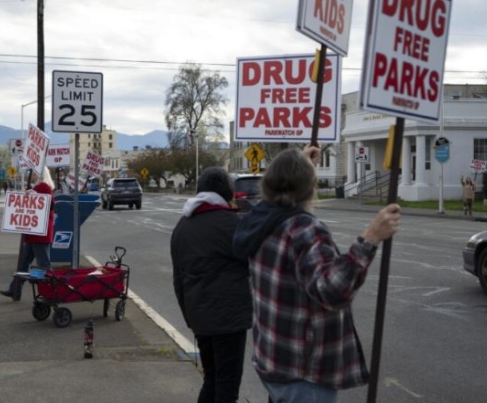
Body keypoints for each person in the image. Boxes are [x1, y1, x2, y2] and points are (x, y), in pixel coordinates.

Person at [232, 147, 401, 403]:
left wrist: (298, 164)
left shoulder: (259, 219)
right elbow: (333, 291)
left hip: (273, 360)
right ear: (310, 188)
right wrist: (371, 237)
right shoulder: (303, 228)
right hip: (303, 372)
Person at [170, 167, 250, 403]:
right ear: (228, 193)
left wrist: (190, 316)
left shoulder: (182, 226)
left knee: (212, 378)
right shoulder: (231, 224)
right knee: (227, 384)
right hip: (229, 319)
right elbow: (254, 258)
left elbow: (178, 279)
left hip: (199, 317)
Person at [0, 180, 56, 301]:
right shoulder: (38, 188)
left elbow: (50, 202)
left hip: (40, 236)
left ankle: (53, 292)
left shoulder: (44, 187)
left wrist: (34, 195)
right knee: (23, 264)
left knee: (44, 265)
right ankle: (15, 289)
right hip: (32, 236)